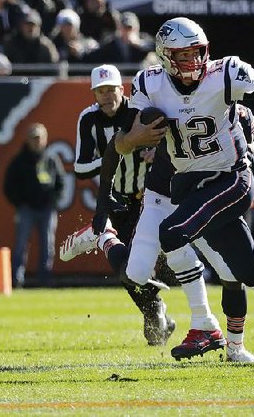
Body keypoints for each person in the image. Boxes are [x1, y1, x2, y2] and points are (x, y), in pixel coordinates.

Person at [117, 17, 254, 375]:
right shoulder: (149, 84)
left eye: (197, 53)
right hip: (190, 184)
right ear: (164, 58)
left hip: (230, 179)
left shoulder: (225, 74)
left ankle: (206, 325)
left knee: (171, 232)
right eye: (182, 56)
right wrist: (137, 138)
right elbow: (122, 141)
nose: (193, 62)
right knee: (249, 271)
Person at [61, 103, 254, 363]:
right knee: (139, 270)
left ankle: (233, 344)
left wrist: (249, 153)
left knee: (232, 273)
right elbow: (118, 148)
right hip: (167, 200)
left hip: (210, 201)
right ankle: (104, 236)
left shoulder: (230, 117)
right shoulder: (165, 109)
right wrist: (144, 145)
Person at [71, 64, 174, 346]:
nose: (106, 96)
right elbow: (80, 168)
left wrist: (158, 151)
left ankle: (168, 311)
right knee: (124, 267)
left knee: (133, 264)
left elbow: (172, 140)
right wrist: (115, 152)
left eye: (111, 90)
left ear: (122, 89)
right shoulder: (89, 119)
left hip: (147, 198)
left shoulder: (139, 112)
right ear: (94, 94)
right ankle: (154, 308)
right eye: (100, 91)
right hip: (113, 200)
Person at [3, 123, 65, 287]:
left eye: (39, 138)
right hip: (27, 209)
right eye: (33, 138)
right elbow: (8, 185)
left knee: (48, 245)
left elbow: (61, 182)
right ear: (28, 140)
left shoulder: (51, 159)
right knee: (21, 244)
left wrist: (54, 202)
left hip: (47, 209)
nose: (36, 142)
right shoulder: (19, 161)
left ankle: (44, 279)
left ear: (45, 139)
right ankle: (16, 279)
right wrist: (20, 202)